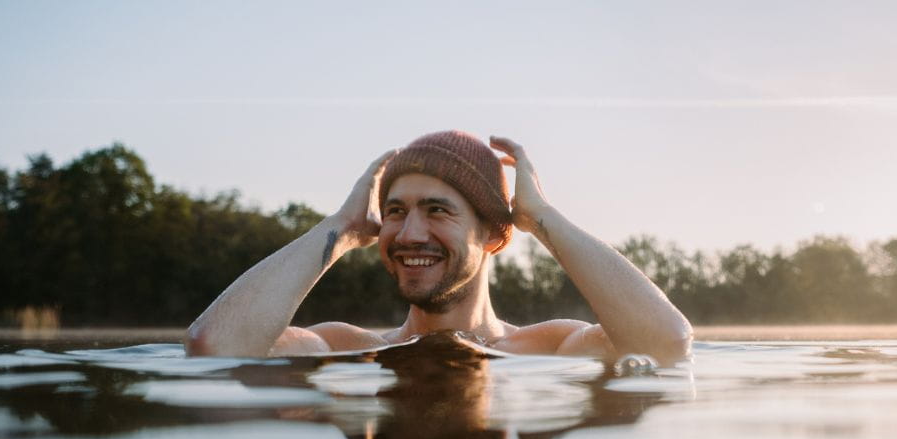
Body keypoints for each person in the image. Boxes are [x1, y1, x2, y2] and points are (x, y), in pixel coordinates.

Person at [185, 131, 691, 365]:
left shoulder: (550, 349)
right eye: (397, 211)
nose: (409, 235)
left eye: (438, 210)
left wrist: (542, 219)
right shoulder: (348, 348)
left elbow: (666, 342)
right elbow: (213, 347)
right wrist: (339, 228)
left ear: (494, 234)